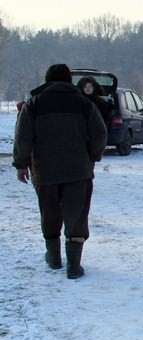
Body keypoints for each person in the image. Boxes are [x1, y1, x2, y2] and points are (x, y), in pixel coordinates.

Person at [13, 63, 107, 279]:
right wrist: (92, 156)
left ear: (47, 80)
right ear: (69, 81)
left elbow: (23, 136)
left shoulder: (34, 104)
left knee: (49, 212)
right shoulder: (83, 103)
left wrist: (21, 164)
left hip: (44, 171)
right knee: (76, 215)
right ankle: (74, 266)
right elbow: (100, 133)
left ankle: (54, 258)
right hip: (78, 171)